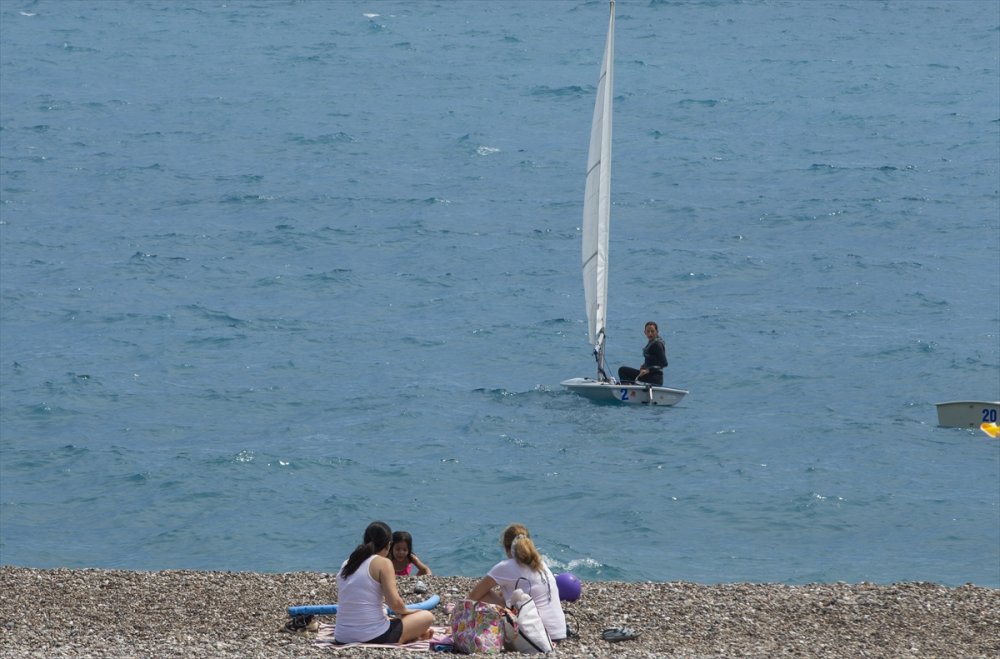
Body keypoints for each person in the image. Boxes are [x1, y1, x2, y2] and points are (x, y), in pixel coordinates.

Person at [333, 521, 434, 645]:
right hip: (373, 636)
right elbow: (395, 605)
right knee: (427, 616)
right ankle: (408, 635)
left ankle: (410, 634)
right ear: (388, 544)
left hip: (341, 635)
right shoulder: (383, 563)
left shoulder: (348, 562)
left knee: (392, 619)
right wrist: (411, 613)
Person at [468, 523, 567, 642]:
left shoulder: (506, 566)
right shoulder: (540, 562)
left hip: (535, 638)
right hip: (558, 633)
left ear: (506, 548)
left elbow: (473, 596)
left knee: (484, 595)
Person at [618, 320, 668, 386]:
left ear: (657, 332)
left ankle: (627, 391)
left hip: (654, 378)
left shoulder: (657, 344)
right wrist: (644, 366)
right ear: (645, 333)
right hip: (648, 376)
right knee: (625, 372)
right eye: (648, 331)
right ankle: (630, 389)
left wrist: (649, 370)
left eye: (652, 331)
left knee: (622, 370)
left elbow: (664, 363)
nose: (650, 334)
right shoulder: (651, 343)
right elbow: (653, 360)